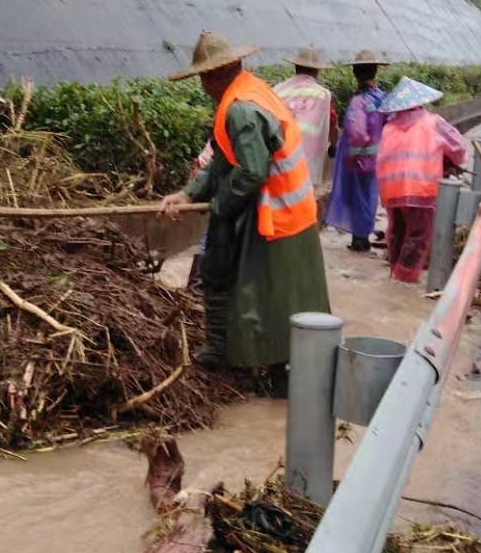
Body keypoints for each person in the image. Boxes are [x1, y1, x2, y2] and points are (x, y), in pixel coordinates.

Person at [158, 31, 330, 382]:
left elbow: (251, 172)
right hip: (292, 210)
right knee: (256, 285)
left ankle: (250, 362)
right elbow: (223, 159)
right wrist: (188, 195)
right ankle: (230, 353)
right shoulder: (250, 91)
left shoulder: (240, 109)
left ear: (209, 77)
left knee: (261, 290)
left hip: (278, 212)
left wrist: (219, 206)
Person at [376, 76, 465, 282]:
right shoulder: (432, 122)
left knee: (396, 231)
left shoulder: (389, 126)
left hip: (391, 188)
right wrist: (452, 162)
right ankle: (404, 278)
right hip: (421, 187)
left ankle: (394, 272)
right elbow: (458, 147)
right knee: (419, 234)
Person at [324, 50, 387, 251]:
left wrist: (353, 156)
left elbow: (358, 134)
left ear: (355, 73)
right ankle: (363, 235)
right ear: (375, 72)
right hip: (376, 158)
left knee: (357, 198)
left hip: (359, 160)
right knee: (369, 197)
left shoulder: (358, 102)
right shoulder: (382, 98)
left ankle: (360, 239)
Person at [273, 48, 337, 186]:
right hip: (307, 161)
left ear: (296, 67)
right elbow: (332, 124)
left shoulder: (277, 90)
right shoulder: (323, 95)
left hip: (280, 156)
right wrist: (334, 146)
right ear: (317, 71)